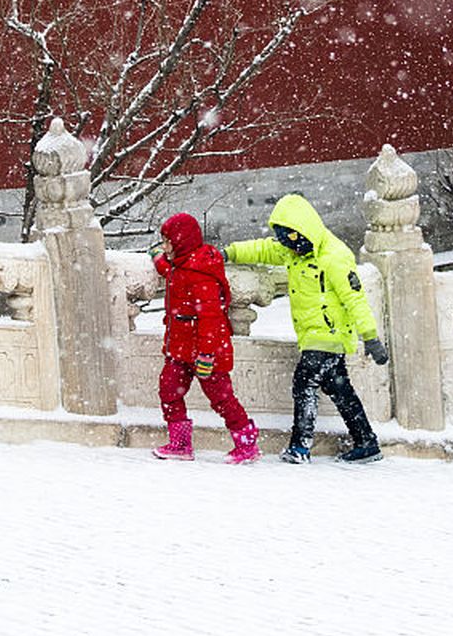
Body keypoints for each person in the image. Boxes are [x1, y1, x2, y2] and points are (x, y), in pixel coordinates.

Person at [224, 193, 389, 464]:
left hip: (328, 336)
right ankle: (367, 442)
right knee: (340, 389)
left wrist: (370, 337)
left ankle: (300, 447)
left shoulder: (334, 256)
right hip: (311, 336)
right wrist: (229, 252)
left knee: (304, 383)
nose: (288, 244)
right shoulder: (291, 251)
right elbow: (262, 249)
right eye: (283, 238)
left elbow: (354, 298)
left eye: (290, 237)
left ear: (303, 230)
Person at [150, 212, 259, 464]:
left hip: (205, 352)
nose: (164, 248)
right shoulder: (183, 265)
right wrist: (158, 260)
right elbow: (173, 274)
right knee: (168, 390)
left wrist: (207, 354)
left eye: (168, 243)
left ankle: (247, 444)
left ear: (182, 242)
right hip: (180, 349)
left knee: (221, 399)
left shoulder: (200, 272)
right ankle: (180, 444)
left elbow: (209, 319)